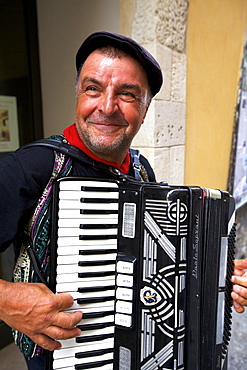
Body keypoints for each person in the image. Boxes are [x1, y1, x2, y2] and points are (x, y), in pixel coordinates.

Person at [0, 31, 246, 370]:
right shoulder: (31, 169)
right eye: (93, 88)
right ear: (78, 96)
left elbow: (165, 262)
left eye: (127, 94)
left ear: (144, 112)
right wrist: (6, 300)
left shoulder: (141, 171)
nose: (107, 106)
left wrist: (218, 277)